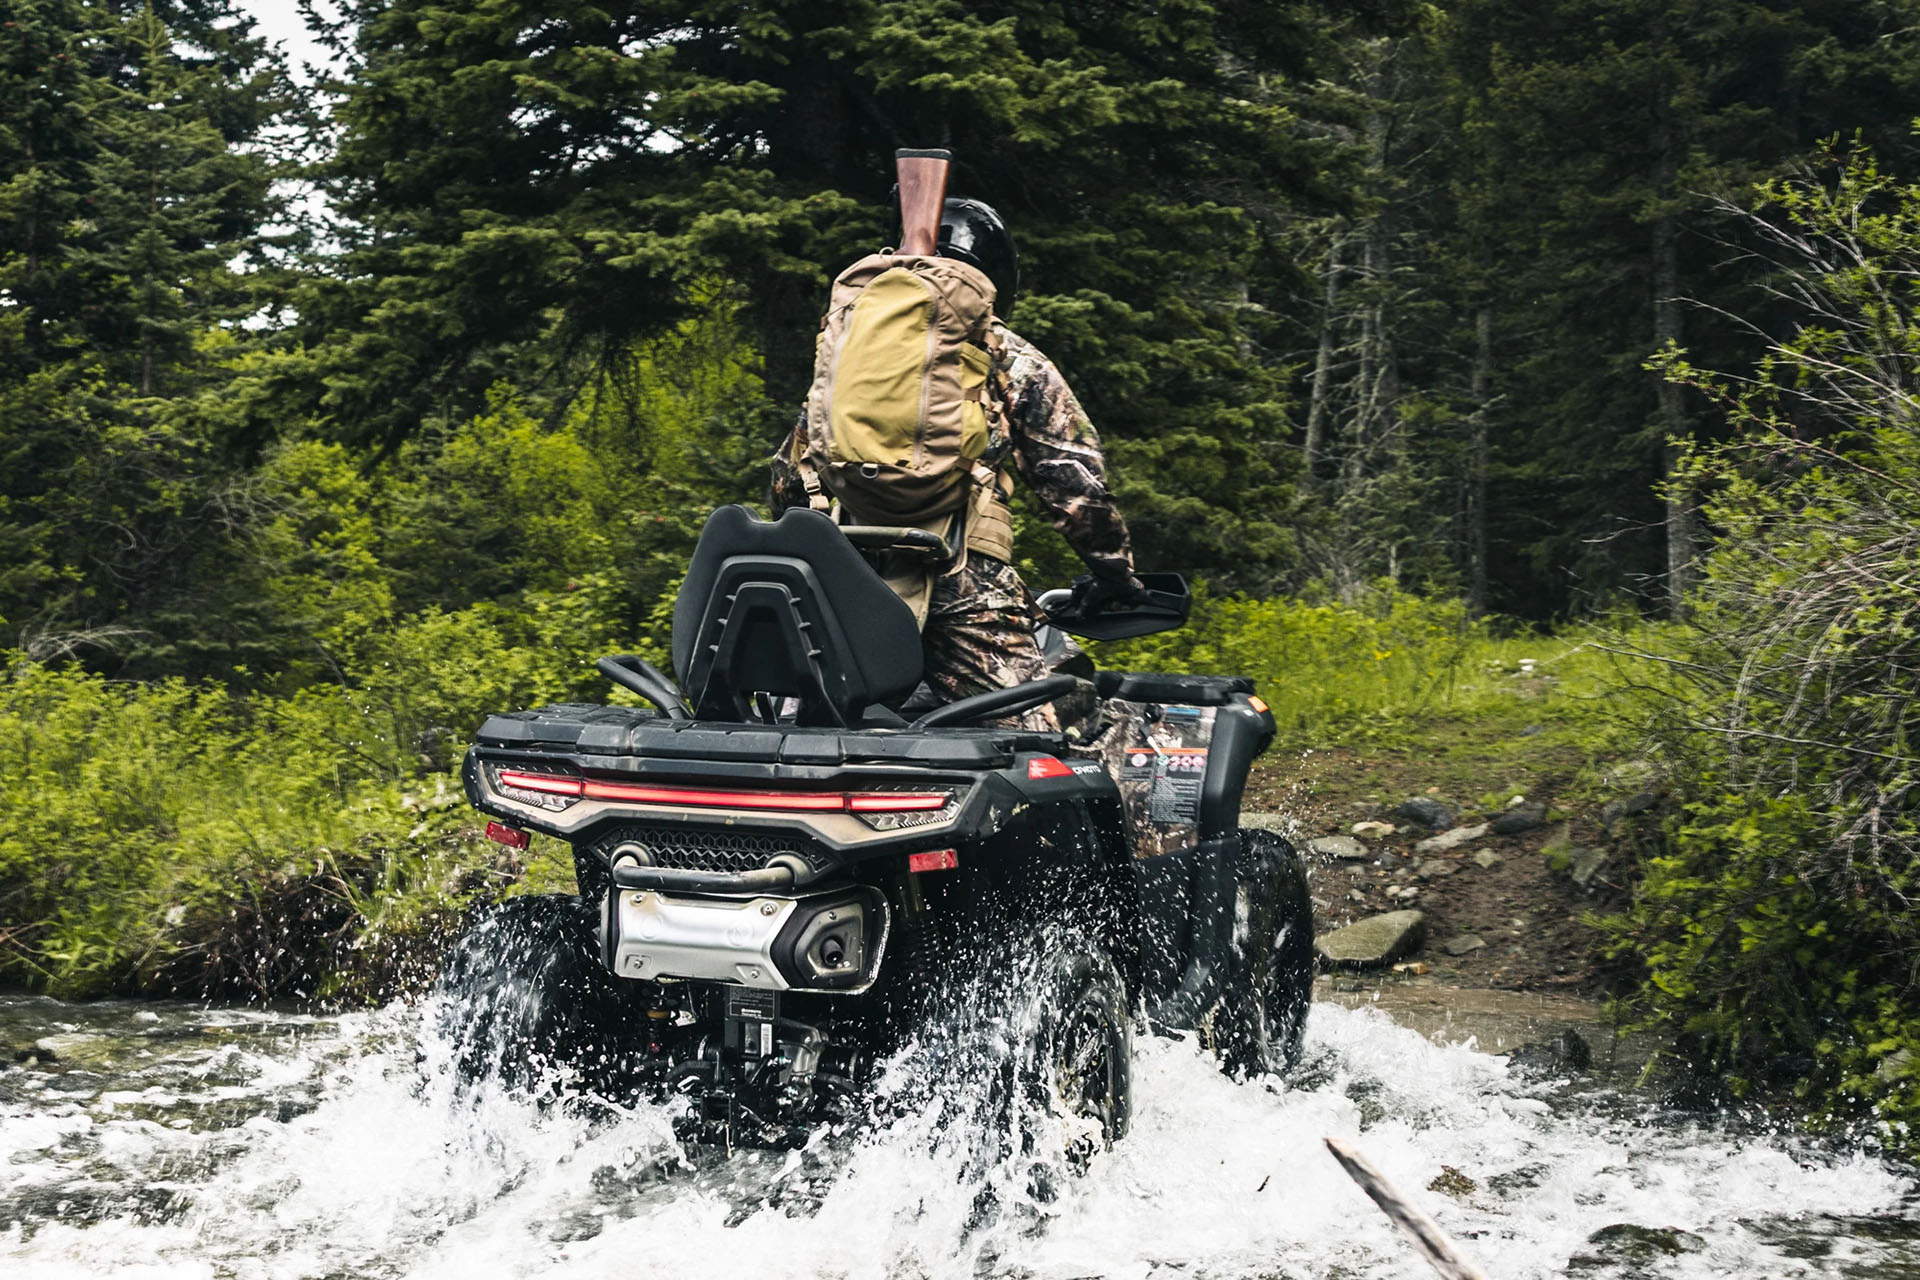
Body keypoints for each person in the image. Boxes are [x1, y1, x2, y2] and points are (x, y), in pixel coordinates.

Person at [769, 197, 1141, 732]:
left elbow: (788, 479)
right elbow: (1077, 490)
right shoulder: (1007, 354)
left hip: (839, 574)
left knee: (810, 729)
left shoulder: (847, 351)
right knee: (1049, 738)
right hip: (959, 579)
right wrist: (1116, 577)